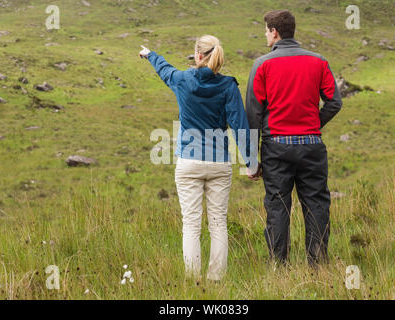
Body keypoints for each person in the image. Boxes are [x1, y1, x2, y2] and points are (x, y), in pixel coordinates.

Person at [139, 35, 259, 281]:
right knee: (218, 225)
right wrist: (251, 162)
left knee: (191, 225)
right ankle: (216, 282)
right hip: (219, 163)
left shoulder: (183, 80)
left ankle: (193, 282)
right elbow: (240, 126)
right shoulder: (228, 86)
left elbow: (165, 71)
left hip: (189, 162)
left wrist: (150, 54)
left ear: (198, 55)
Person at [246, 10, 342, 267]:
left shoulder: (262, 65)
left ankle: (279, 268)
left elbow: (253, 115)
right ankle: (318, 267)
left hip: (276, 147)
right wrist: (313, 124)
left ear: (274, 32)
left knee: (277, 207)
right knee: (317, 205)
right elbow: (334, 102)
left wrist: (251, 160)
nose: (265, 35)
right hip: (311, 146)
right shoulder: (319, 61)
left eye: (266, 30)